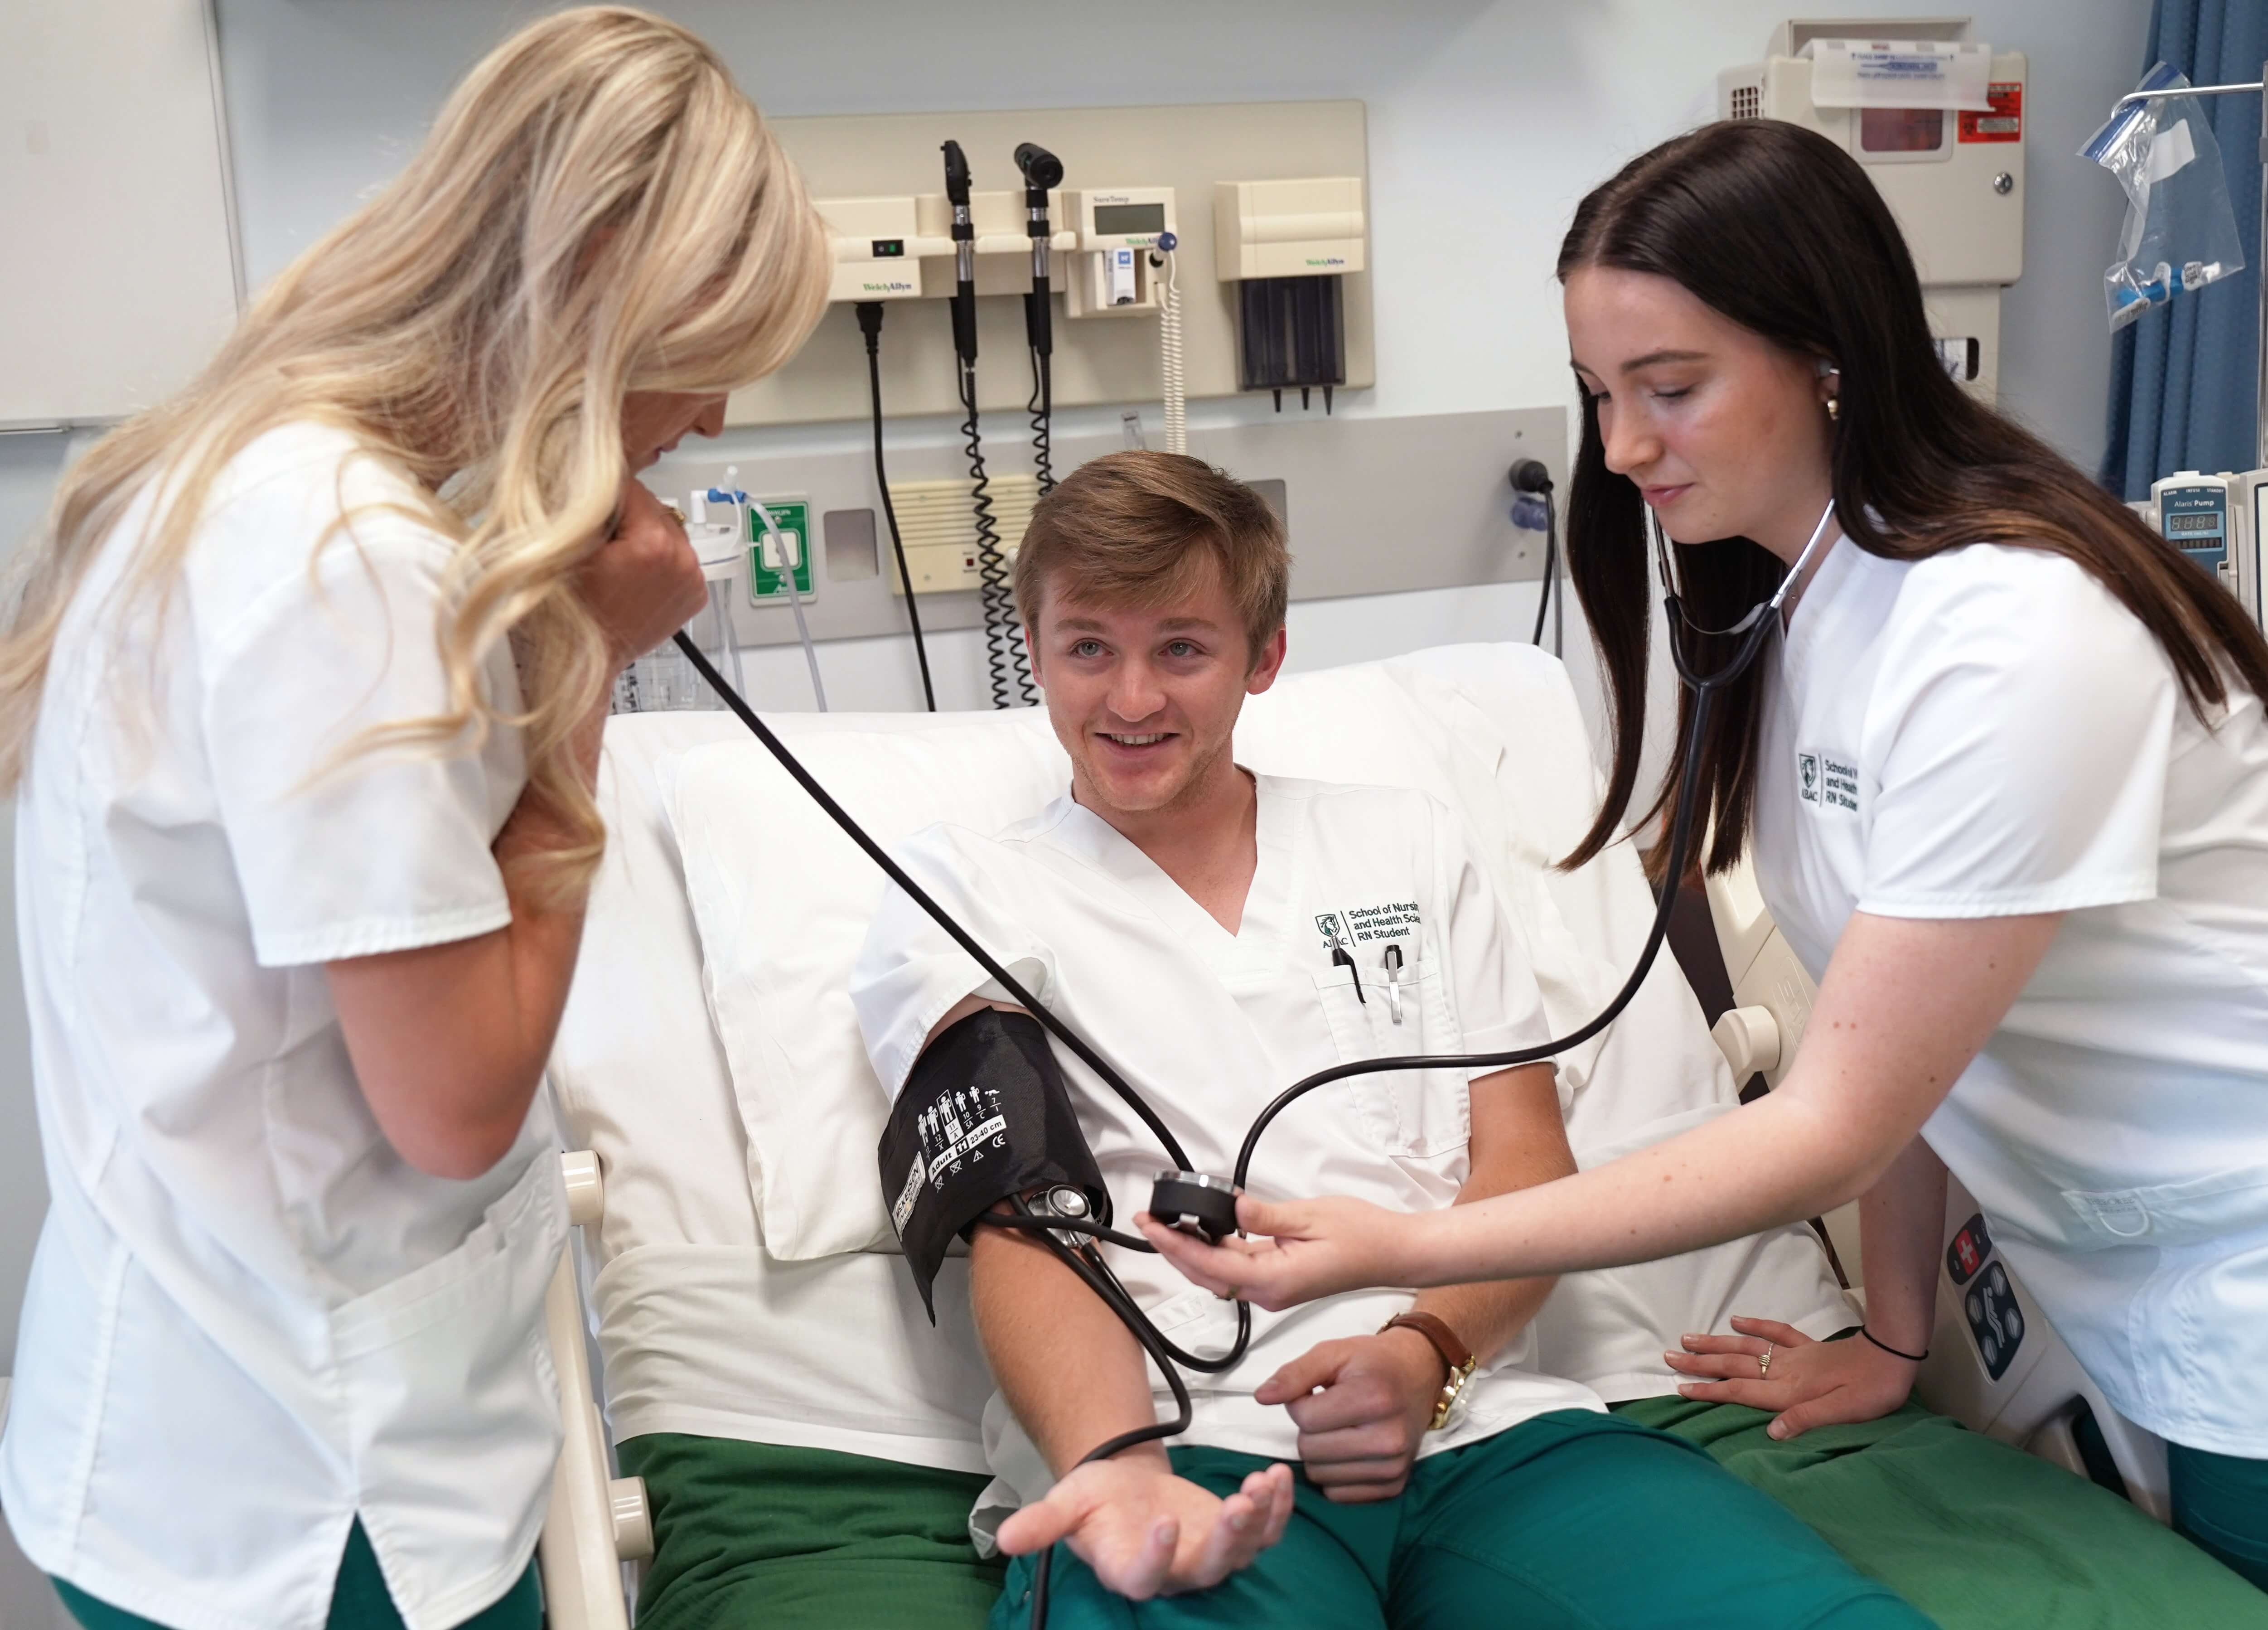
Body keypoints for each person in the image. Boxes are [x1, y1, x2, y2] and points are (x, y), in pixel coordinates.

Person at [1140, 119, 2268, 1593]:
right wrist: (1896, 1332)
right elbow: (1913, 1028)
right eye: (1601, 394)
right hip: (2137, 1296)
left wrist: (1394, 1250)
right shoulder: (1804, 597)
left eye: (1671, 389)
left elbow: (1840, 1119)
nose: (1619, 447)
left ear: (1830, 354)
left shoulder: (2013, 637)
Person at [0, 11, 827, 1629]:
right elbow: (452, 1101)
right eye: (708, 345)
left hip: (211, 1412)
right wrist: (581, 667)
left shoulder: (227, 469)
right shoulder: (345, 565)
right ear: (592, 277)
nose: (716, 417)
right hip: (321, 1498)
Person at [850, 451, 1926, 1628]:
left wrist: (1425, 1358)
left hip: (1488, 1433)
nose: (1133, 699)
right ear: (1037, 645)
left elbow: (1523, 1166)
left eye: (1183, 649)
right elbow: (1021, 1226)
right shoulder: (967, 893)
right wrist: (1115, 1464)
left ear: (1265, 657)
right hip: (1174, 1449)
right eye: (1089, 646)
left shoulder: (1404, 843)